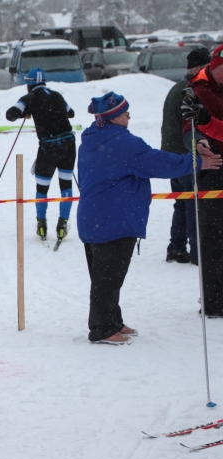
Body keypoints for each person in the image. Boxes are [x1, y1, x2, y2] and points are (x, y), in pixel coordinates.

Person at [77, 92, 221, 345]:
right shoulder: (122, 142)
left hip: (95, 217)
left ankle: (113, 321)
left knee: (105, 275)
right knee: (107, 278)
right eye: (125, 113)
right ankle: (101, 329)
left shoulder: (93, 137)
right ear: (113, 117)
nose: (129, 116)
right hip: (114, 219)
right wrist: (196, 162)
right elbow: (160, 163)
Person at [6, 68, 76, 241]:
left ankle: (41, 224)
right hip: (68, 145)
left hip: (48, 148)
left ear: (28, 85)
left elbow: (10, 115)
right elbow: (71, 113)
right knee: (65, 185)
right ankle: (62, 224)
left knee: (42, 187)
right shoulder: (57, 95)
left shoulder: (29, 98)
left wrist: (26, 112)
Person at [182, 44, 223, 316]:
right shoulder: (197, 91)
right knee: (212, 237)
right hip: (214, 170)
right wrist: (198, 143)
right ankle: (214, 300)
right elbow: (186, 131)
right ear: (214, 65)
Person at [162, 47, 211, 264]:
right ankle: (197, 251)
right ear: (199, 68)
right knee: (194, 203)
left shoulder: (178, 88)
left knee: (182, 201)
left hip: (172, 155)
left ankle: (176, 247)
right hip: (186, 155)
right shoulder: (191, 90)